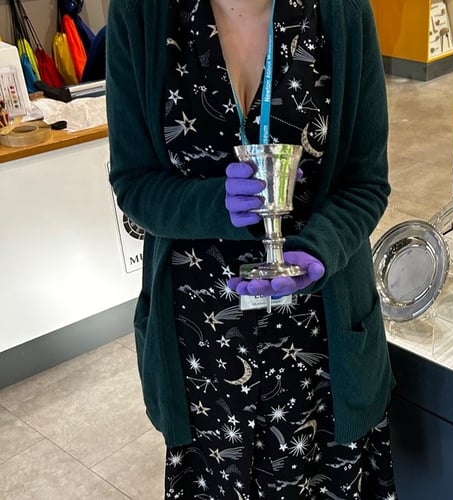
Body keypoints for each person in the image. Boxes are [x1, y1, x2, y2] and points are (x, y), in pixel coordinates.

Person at [106, 0, 397, 498]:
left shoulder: (341, 12)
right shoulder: (142, 13)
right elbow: (133, 184)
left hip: (319, 354)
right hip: (200, 356)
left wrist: (320, 248)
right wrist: (213, 203)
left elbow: (366, 183)